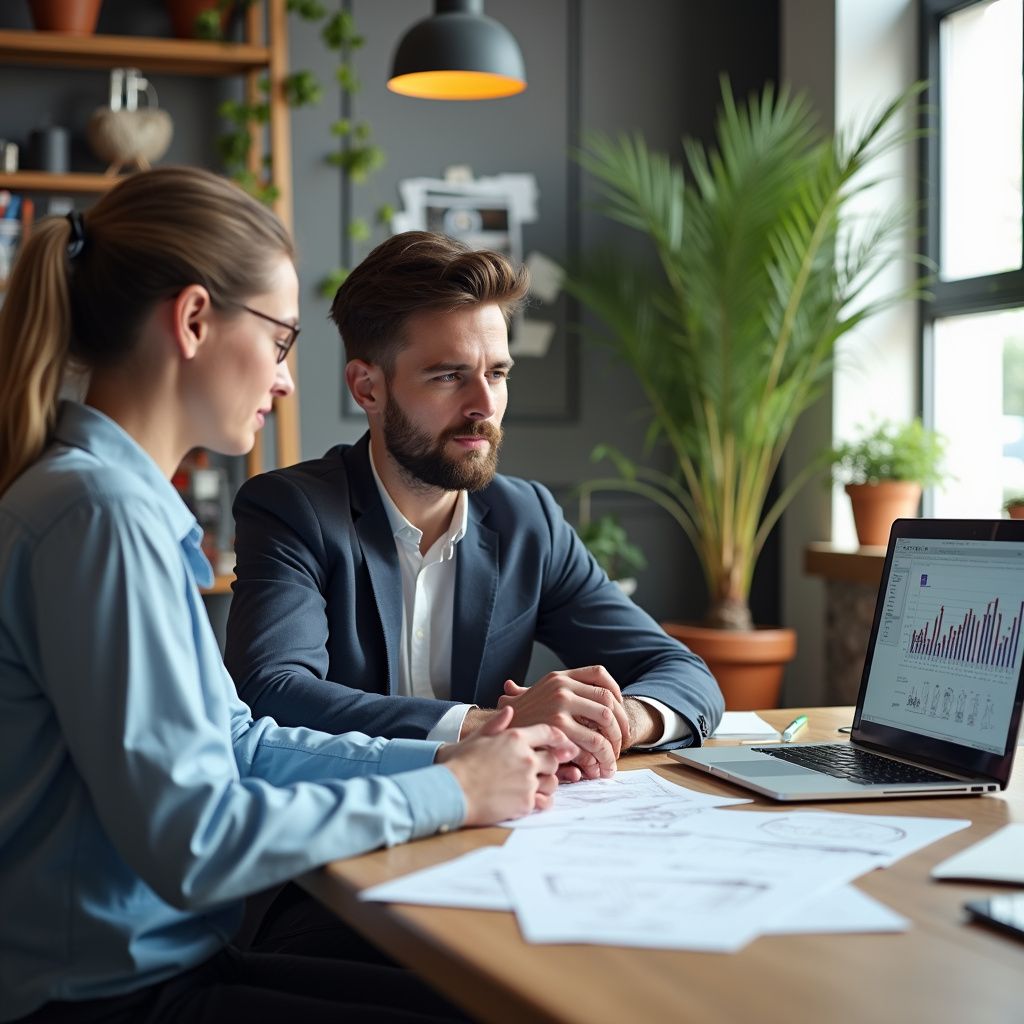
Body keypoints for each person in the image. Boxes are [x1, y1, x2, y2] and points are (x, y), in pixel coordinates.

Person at [0, 169, 577, 1024]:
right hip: (110, 997)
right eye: (280, 341)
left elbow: (237, 741)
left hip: (159, 969)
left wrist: (455, 758)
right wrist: (452, 794)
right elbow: (196, 843)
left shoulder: (107, 504)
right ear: (194, 320)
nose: (285, 381)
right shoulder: (99, 517)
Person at [225, 231, 723, 783]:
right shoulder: (293, 511)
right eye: (449, 376)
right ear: (367, 388)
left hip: (495, 832)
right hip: (342, 828)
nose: (484, 405)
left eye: (497, 373)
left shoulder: (526, 519)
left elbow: (681, 672)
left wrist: (616, 720)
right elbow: (274, 691)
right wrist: (487, 725)